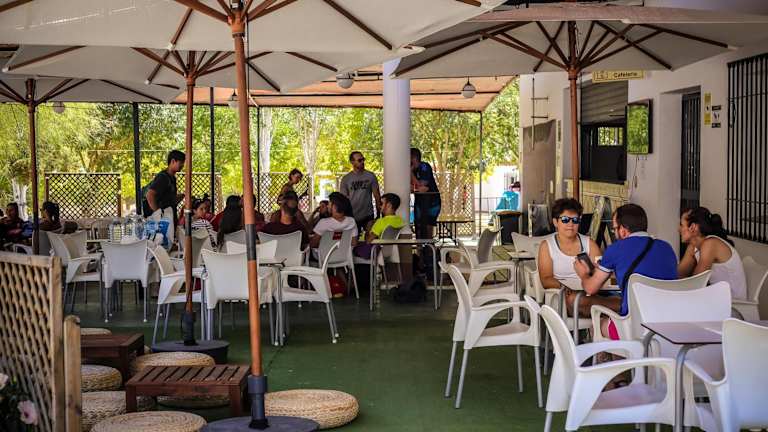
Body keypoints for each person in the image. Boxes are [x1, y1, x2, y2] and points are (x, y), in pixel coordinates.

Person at [573, 204, 678, 339]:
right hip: (667, 327)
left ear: (623, 230)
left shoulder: (616, 249)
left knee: (596, 326)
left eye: (614, 229)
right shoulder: (667, 248)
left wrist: (583, 274)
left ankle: (622, 353)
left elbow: (590, 288)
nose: (614, 233)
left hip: (633, 327)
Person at [679, 207, 747, 300]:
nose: (678, 229)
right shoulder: (694, 246)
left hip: (732, 302)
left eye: (681, 225)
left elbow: (697, 283)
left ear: (693, 227)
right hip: (717, 298)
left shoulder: (710, 244)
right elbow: (679, 275)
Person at [538, 198, 600, 290]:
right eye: (565, 219)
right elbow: (546, 280)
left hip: (588, 291)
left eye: (575, 220)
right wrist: (568, 290)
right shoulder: (547, 246)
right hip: (560, 293)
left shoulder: (590, 244)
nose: (571, 224)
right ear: (555, 222)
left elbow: (600, 273)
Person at [354, 193, 406, 258]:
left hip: (375, 252)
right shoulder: (400, 220)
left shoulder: (381, 222)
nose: (379, 206)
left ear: (389, 205)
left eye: (381, 203)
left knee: (353, 247)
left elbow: (368, 240)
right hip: (389, 251)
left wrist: (368, 229)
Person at [340, 151, 381, 231]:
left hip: (368, 215)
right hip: (352, 216)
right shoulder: (346, 179)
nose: (362, 162)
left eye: (363, 159)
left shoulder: (371, 176)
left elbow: (377, 196)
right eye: (359, 160)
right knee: (354, 238)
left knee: (369, 237)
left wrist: (379, 215)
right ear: (352, 162)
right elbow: (343, 200)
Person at [143, 150, 185, 226]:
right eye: (181, 162)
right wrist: (158, 214)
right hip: (162, 221)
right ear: (173, 161)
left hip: (168, 217)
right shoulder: (163, 177)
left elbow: (168, 200)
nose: (183, 165)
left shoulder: (172, 178)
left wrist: (182, 196)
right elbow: (150, 195)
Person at [410, 147, 441, 240]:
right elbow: (412, 187)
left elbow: (421, 184)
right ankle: (420, 248)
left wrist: (410, 173)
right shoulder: (412, 169)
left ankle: (429, 248)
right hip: (420, 202)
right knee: (418, 228)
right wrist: (416, 188)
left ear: (414, 158)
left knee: (427, 229)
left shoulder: (424, 166)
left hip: (432, 202)